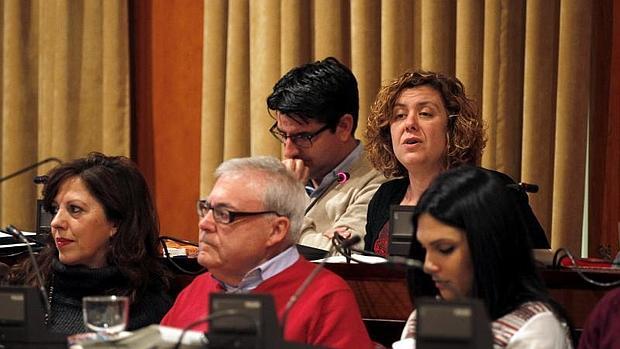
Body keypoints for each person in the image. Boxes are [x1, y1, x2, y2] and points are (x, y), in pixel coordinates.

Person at [160, 156, 374, 349]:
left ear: (276, 230)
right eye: (205, 209)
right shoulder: (196, 288)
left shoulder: (326, 297)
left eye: (224, 214)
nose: (204, 224)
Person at [393, 166, 573, 349]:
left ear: (488, 245)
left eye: (445, 249)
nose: (428, 265)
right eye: (424, 250)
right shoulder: (427, 315)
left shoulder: (536, 328)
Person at [4, 152, 172, 335]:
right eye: (54, 209)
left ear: (115, 222)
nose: (55, 222)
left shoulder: (148, 310)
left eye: (75, 209)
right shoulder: (24, 281)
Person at [267, 57, 385, 251]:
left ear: (343, 126)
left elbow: (339, 256)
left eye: (303, 136)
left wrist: (290, 202)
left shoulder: (377, 184)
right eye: (283, 134)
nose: (289, 151)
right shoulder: (282, 176)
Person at [364, 70, 486, 256]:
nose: (409, 123)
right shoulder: (385, 196)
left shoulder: (488, 193)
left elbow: (538, 272)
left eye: (425, 113)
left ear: (453, 127)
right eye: (399, 115)